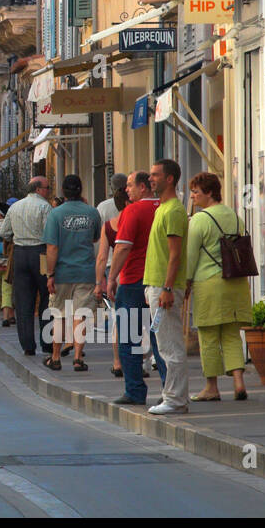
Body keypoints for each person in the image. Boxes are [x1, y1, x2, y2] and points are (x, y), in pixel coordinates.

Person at [186, 172, 253, 403]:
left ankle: (211, 387)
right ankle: (239, 383)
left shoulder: (200, 220)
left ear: (210, 193)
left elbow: (190, 255)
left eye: (197, 192)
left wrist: (184, 283)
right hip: (236, 282)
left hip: (209, 284)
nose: (192, 196)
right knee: (232, 335)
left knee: (209, 337)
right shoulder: (234, 216)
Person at [103, 172, 158, 405]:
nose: (126, 190)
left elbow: (122, 248)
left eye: (129, 185)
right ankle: (171, 392)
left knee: (128, 338)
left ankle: (135, 391)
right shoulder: (165, 207)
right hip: (158, 280)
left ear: (143, 187)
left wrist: (111, 277)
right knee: (159, 338)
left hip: (133, 279)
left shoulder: (132, 211)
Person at [142, 159, 191, 415]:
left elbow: (175, 254)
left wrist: (168, 288)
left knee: (170, 345)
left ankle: (175, 399)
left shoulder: (172, 210)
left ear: (169, 178)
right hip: (157, 285)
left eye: (155, 175)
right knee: (164, 345)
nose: (151, 179)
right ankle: (173, 396)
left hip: (164, 287)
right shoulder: (164, 208)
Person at [41, 176, 101, 372]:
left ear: (63, 191)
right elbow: (95, 238)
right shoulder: (92, 212)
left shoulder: (56, 214)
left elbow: (52, 247)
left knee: (59, 315)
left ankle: (56, 357)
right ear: (81, 190)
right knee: (80, 315)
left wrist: (50, 274)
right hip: (85, 271)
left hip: (62, 272)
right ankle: (77, 358)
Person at [0, 177, 54, 355]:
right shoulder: (44, 207)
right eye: (47, 188)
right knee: (46, 297)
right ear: (38, 189)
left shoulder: (15, 207)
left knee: (23, 300)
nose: (49, 191)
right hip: (40, 253)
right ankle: (47, 342)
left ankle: (27, 345)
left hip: (20, 253)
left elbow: (4, 232)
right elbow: (49, 233)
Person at [95, 175, 131, 375]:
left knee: (119, 317)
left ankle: (118, 361)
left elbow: (101, 256)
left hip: (112, 269)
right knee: (140, 318)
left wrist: (100, 280)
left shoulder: (107, 219)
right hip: (133, 271)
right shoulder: (137, 216)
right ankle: (141, 361)